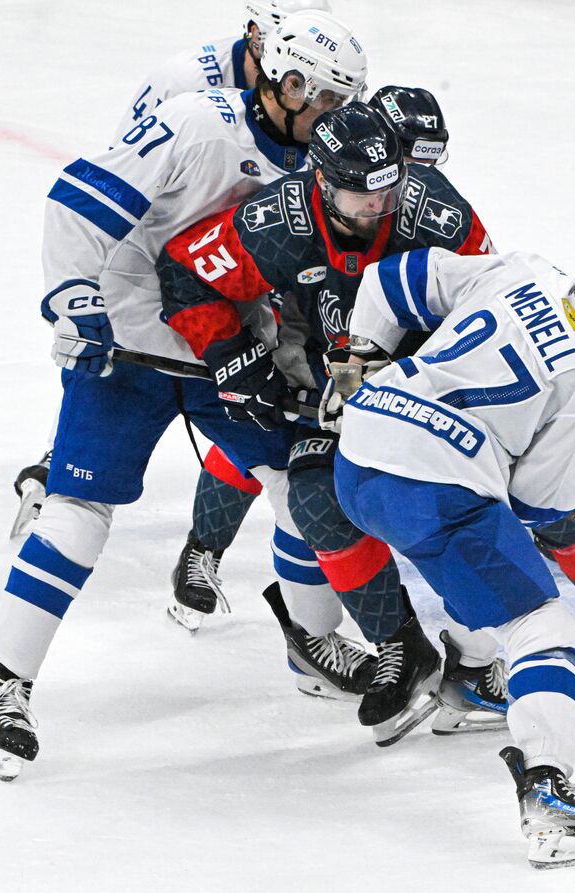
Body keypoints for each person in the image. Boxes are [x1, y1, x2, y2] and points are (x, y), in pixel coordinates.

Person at [0, 10, 369, 783]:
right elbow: (77, 200)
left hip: (230, 350)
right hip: (130, 344)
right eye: (319, 98)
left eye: (341, 104)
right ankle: (3, 689)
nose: (330, 118)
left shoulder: (325, 167)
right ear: (284, 82)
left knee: (302, 493)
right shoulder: (196, 121)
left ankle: (310, 648)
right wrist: (75, 300)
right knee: (78, 519)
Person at [332, 234, 575, 866]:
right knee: (546, 624)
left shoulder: (525, 270)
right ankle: (548, 799)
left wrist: (361, 358)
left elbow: (392, 281)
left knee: (492, 561)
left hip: (360, 452)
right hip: (435, 490)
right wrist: (563, 482)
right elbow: (536, 507)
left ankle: (471, 679)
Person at [157, 102, 501, 732]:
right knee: (314, 503)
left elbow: (497, 305)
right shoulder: (277, 220)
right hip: (327, 394)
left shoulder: (438, 213)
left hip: (426, 394)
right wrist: (232, 355)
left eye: (389, 188)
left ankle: (477, 669)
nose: (381, 206)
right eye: (361, 195)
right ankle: (401, 645)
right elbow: (185, 271)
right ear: (321, 179)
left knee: (451, 512)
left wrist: (446, 384)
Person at [10, 0, 331, 541]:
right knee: (106, 370)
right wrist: (86, 293)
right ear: (258, 37)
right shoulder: (187, 87)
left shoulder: (309, 107)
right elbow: (125, 188)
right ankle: (61, 450)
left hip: (230, 278)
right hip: (151, 285)